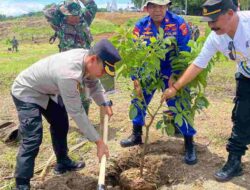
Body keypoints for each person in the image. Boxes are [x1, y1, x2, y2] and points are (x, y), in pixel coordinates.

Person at [11, 39, 121, 190]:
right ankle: (22, 183)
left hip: (47, 91)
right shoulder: (69, 73)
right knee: (33, 136)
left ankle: (62, 162)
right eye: (103, 70)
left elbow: (93, 82)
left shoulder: (87, 59)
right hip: (26, 91)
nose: (103, 75)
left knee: (61, 123)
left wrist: (104, 102)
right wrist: (98, 141)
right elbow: (76, 111)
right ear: (94, 59)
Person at [161, 0, 250, 182]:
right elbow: (199, 63)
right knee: (241, 117)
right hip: (246, 76)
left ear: (230, 14)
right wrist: (175, 88)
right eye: (208, 21)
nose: (210, 26)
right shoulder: (217, 37)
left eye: (214, 20)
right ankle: (234, 162)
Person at [120, 0, 198, 165]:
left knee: (180, 104)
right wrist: (136, 80)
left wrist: (176, 75)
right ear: (147, 8)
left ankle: (189, 143)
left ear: (167, 7)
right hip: (148, 70)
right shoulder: (140, 26)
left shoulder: (178, 23)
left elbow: (185, 51)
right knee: (139, 100)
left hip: (171, 69)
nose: (158, 10)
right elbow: (134, 56)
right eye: (153, 6)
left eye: (161, 6)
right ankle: (136, 135)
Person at [44, 0, 98, 114]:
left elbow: (92, 5)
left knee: (85, 94)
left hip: (84, 64)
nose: (71, 18)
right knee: (64, 92)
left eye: (74, 15)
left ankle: (84, 118)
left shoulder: (85, 19)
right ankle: (62, 118)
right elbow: (47, 12)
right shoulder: (60, 21)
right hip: (67, 65)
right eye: (68, 15)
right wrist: (64, 6)